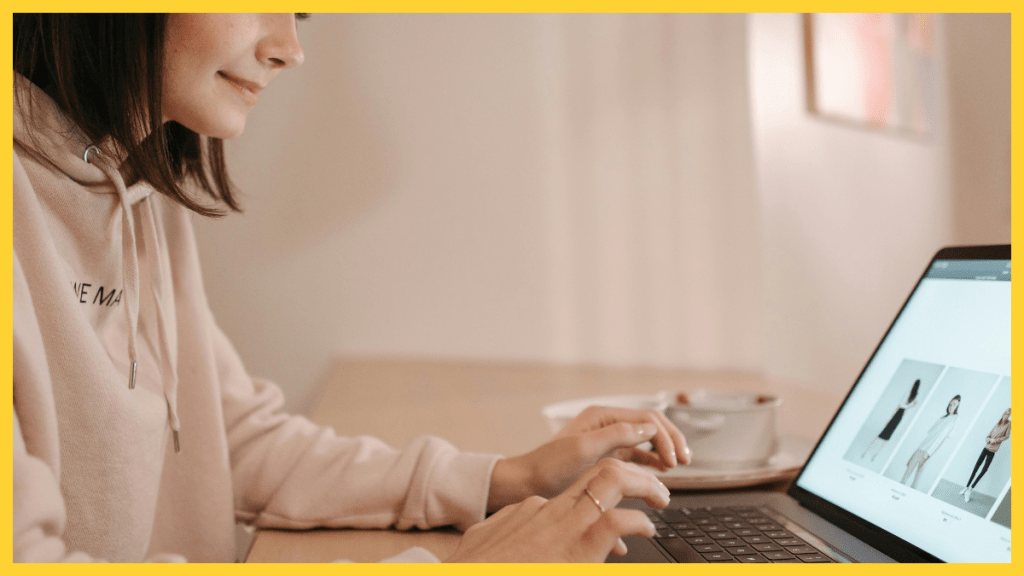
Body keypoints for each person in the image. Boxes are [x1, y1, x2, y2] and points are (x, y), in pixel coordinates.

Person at [12, 14, 691, 563]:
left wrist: (503, 479)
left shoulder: (135, 187)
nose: (290, 48)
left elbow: (234, 438)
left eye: (301, 12)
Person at [900, 395, 959, 489]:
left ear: (957, 406)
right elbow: (928, 436)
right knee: (906, 475)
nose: (951, 406)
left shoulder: (954, 419)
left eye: (954, 404)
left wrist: (930, 455)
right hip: (921, 448)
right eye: (951, 404)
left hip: (929, 452)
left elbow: (943, 440)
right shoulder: (942, 418)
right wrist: (914, 453)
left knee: (916, 481)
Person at [861, 379, 920, 461]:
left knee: (882, 435)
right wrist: (911, 406)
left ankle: (866, 452)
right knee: (887, 436)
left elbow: (899, 405)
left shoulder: (908, 393)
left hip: (898, 413)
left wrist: (889, 419)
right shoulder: (913, 397)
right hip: (900, 416)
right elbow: (906, 409)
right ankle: (874, 455)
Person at [959, 408, 1010, 503]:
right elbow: (988, 435)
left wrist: (996, 440)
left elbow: (1007, 436)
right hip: (985, 448)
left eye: (1008, 414)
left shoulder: (1008, 424)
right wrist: (988, 439)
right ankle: (966, 487)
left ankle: (970, 490)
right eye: (1005, 414)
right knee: (975, 468)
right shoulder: (997, 423)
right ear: (1003, 414)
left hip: (993, 451)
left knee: (984, 470)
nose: (1006, 416)